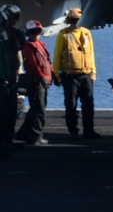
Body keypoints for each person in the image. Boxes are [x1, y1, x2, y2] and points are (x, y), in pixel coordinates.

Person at [53, 8, 100, 139]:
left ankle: (89, 130)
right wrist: (56, 73)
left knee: (89, 104)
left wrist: (93, 72)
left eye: (78, 20)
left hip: (86, 75)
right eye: (74, 20)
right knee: (71, 104)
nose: (76, 23)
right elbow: (57, 55)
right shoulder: (63, 34)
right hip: (70, 76)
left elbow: (91, 53)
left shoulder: (87, 33)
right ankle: (73, 130)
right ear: (69, 21)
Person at [17, 20, 52, 146]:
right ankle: (36, 135)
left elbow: (47, 61)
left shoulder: (41, 45)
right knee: (39, 110)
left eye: (37, 31)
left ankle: (23, 133)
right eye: (33, 32)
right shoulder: (28, 47)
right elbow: (32, 65)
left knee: (35, 109)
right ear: (28, 33)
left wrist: (53, 74)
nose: (35, 34)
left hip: (43, 81)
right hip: (36, 82)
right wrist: (42, 77)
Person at [0, 4, 24, 149]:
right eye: (12, 18)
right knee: (3, 111)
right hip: (4, 75)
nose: (14, 21)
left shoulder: (14, 33)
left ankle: (8, 138)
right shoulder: (2, 34)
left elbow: (18, 49)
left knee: (11, 110)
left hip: (12, 74)